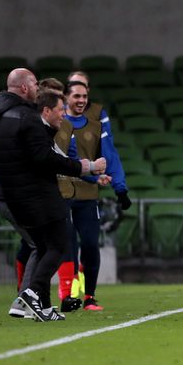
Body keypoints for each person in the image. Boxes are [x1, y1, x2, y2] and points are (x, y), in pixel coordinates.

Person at [0, 69, 106, 322]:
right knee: (55, 245)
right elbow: (43, 158)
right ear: (25, 88)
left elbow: (9, 157)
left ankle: (39, 303)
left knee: (40, 246)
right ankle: (29, 295)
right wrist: (85, 167)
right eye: (34, 84)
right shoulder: (27, 117)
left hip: (8, 193)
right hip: (32, 194)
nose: (37, 87)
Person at [56, 78, 127, 312]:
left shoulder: (96, 127)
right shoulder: (56, 123)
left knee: (89, 245)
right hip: (63, 194)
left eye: (84, 96)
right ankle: (67, 295)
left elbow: (109, 156)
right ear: (65, 97)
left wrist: (118, 186)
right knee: (67, 245)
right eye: (76, 96)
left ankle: (90, 297)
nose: (81, 100)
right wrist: (93, 174)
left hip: (87, 196)